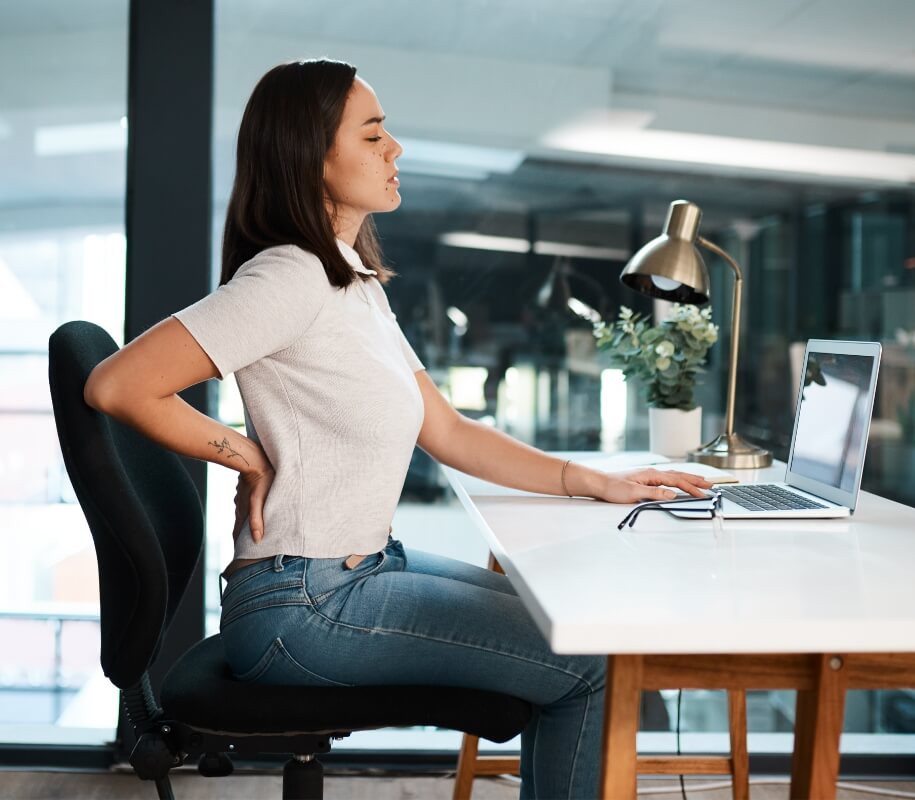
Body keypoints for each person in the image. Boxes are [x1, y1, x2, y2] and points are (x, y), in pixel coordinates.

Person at [82, 58, 712, 799]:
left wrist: (595, 482)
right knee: (593, 664)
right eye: (374, 134)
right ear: (308, 156)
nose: (396, 150)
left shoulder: (350, 279)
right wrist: (244, 455)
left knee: (568, 616)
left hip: (357, 571)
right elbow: (116, 384)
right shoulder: (287, 278)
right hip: (306, 605)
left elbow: (447, 430)